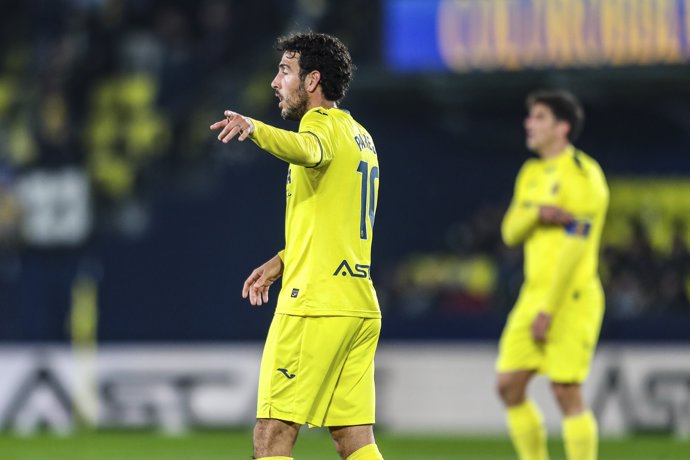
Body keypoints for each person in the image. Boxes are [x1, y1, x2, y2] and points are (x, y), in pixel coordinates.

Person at [210, 32, 383, 460]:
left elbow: (308, 150)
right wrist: (284, 259)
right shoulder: (360, 136)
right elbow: (335, 223)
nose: (275, 82)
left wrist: (254, 129)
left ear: (312, 81)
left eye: (285, 71)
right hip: (358, 305)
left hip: (315, 305)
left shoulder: (320, 128)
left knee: (272, 435)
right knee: (354, 440)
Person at [496, 90, 609, 460]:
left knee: (565, 390)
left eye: (540, 117)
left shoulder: (584, 176)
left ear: (562, 127)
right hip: (533, 294)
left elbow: (576, 250)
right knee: (509, 385)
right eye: (530, 116)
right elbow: (510, 231)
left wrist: (549, 308)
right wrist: (537, 214)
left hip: (571, 297)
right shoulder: (530, 173)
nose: (529, 123)